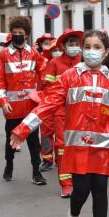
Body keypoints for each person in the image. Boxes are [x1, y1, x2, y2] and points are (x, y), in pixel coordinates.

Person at [10, 30, 109, 217]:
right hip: (78, 147)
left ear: (106, 52)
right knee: (81, 189)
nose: (91, 51)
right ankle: (73, 216)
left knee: (100, 190)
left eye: (97, 47)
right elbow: (48, 104)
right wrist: (23, 129)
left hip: (102, 148)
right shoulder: (70, 76)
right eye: (88, 46)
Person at [0, 16, 47, 185]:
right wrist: (3, 102)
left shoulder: (34, 54)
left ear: (27, 35)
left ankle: (36, 173)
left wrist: (45, 94)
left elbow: (44, 74)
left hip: (31, 107)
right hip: (12, 108)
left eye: (21, 33)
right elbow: (0, 80)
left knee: (34, 142)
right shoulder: (3, 55)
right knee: (11, 140)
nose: (17, 35)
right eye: (15, 32)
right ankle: (8, 166)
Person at [40, 29, 84, 198]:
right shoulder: (54, 63)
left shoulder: (84, 62)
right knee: (62, 147)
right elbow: (47, 87)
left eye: (76, 44)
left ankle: (79, 178)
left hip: (81, 111)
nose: (74, 47)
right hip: (61, 111)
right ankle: (66, 183)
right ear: (64, 46)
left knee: (80, 145)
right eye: (70, 44)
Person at [39, 40, 62, 171]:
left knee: (62, 136)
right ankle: (47, 159)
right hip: (48, 103)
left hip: (63, 106)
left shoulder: (72, 64)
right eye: (54, 50)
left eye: (58, 49)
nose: (56, 52)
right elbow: (44, 84)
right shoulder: (47, 64)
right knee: (46, 133)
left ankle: (61, 160)